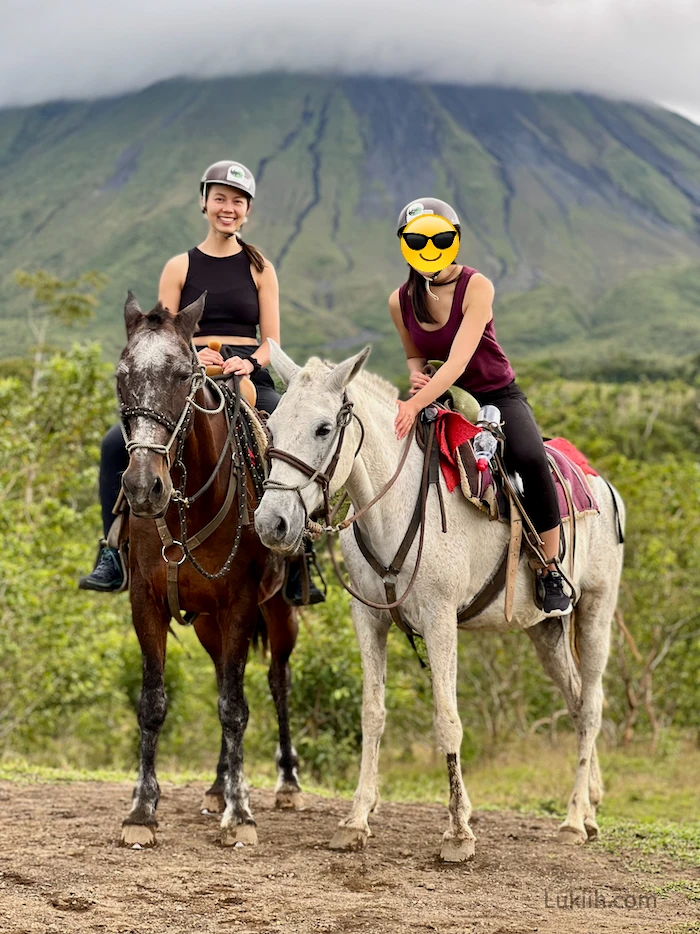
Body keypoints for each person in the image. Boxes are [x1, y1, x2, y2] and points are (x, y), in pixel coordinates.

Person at [79, 160, 324, 606]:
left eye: (237, 201)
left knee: (284, 441)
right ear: (204, 203)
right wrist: (195, 357)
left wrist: (247, 363)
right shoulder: (179, 266)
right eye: (220, 199)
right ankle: (112, 551)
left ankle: (299, 556)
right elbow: (159, 333)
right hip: (188, 374)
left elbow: (271, 340)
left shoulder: (260, 268)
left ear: (247, 211)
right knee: (116, 443)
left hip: (247, 372)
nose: (227, 208)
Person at [390, 197, 572, 616]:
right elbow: (415, 355)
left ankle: (549, 567)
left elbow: (457, 359)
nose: (427, 246)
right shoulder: (400, 300)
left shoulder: (477, 286)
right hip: (442, 396)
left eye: (438, 238)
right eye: (417, 239)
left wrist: (414, 401)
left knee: (530, 457)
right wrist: (419, 378)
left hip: (495, 394)